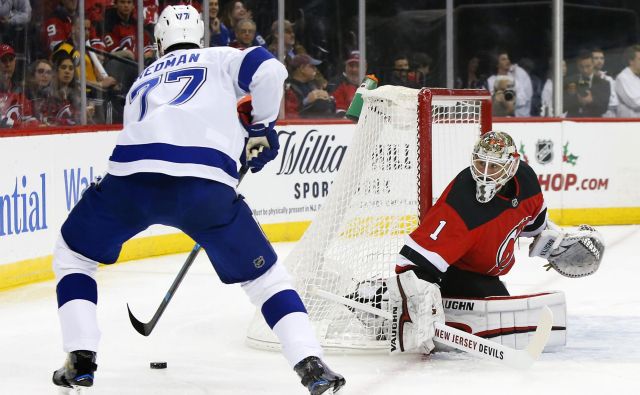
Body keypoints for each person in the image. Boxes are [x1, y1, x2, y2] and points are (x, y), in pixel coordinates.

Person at [50, 6, 345, 395]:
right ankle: (310, 363)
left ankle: (81, 357)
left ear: (158, 42)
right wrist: (261, 126)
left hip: (130, 182)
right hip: (203, 189)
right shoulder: (222, 56)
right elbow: (271, 71)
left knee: (74, 253)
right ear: (201, 36)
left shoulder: (143, 78)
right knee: (265, 279)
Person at [353, 131, 604, 355]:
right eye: (480, 163)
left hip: (483, 272)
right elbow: (412, 262)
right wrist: (421, 302)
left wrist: (552, 244)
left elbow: (532, 224)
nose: (484, 172)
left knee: (498, 306)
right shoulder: (460, 207)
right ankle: (378, 298)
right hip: (453, 272)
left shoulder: (526, 180)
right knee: (494, 306)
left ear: (512, 164)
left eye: (493, 166)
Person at [285, 53, 335, 118]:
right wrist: (306, 101)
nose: (315, 69)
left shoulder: (314, 84)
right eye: (312, 66)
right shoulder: (287, 88)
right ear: (302, 68)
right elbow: (289, 112)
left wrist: (328, 98)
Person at [563, 50, 610, 118]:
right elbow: (562, 105)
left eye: (588, 66)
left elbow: (604, 108)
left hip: (593, 123)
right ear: (577, 65)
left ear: (593, 64)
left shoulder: (604, 83)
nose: (585, 70)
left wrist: (591, 101)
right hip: (573, 122)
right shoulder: (569, 81)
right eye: (581, 67)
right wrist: (575, 98)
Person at [486, 50, 533, 117]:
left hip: (511, 119)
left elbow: (523, 100)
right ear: (497, 64)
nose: (507, 61)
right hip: (495, 119)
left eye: (508, 59)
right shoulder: (490, 81)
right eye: (503, 59)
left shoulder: (515, 81)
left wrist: (511, 99)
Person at [327, 50, 362, 117]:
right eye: (351, 66)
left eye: (358, 66)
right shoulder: (336, 83)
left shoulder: (371, 85)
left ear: (365, 67)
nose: (354, 69)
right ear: (346, 67)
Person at [592, 48, 618, 117]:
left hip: (610, 116)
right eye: (596, 58)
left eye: (602, 58)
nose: (599, 61)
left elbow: (614, 101)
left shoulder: (609, 79)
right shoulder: (584, 78)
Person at [615, 44, 640, 118]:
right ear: (631, 61)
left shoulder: (637, 76)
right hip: (628, 124)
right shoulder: (623, 77)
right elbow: (635, 103)